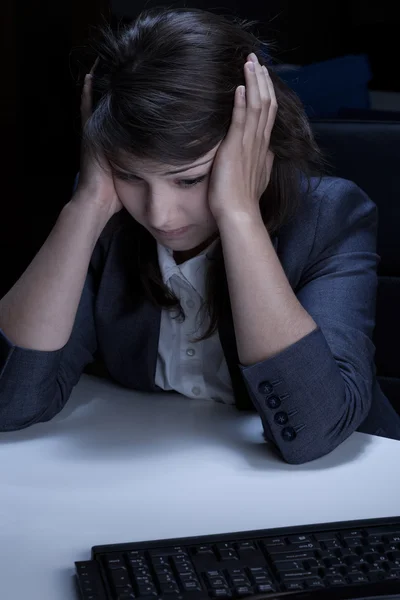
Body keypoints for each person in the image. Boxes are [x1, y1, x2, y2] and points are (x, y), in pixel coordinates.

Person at [0, 7, 399, 463]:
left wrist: (239, 214)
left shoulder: (332, 217)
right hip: (167, 483)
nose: (158, 213)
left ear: (255, 143)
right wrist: (87, 204)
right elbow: (12, 404)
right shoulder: (106, 212)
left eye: (189, 179)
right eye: (131, 176)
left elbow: (313, 433)